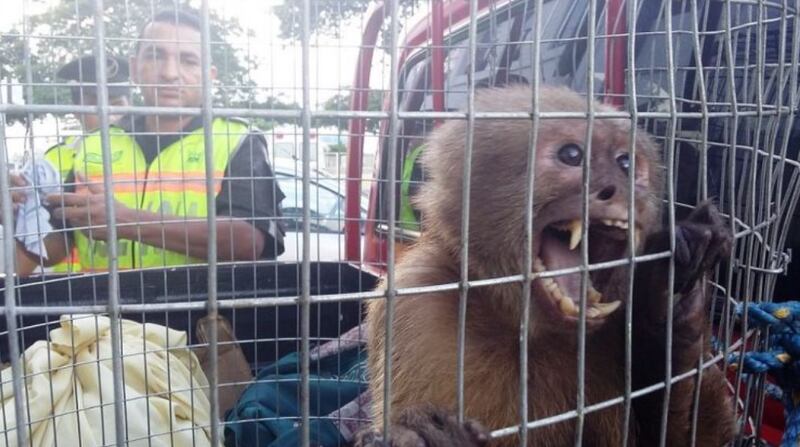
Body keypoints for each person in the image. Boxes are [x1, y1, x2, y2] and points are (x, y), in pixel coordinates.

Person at [7, 9, 284, 276]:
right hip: (107, 319)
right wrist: (18, 215)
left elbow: (249, 242)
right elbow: (51, 249)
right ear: (136, 68)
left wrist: (127, 221)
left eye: (188, 60)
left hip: (203, 319)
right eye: (155, 55)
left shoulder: (236, 140)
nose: (169, 72)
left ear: (210, 76)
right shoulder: (95, 146)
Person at [42, 53, 132, 273]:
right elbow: (33, 258)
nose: (108, 114)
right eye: (95, 104)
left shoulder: (150, 151)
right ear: (76, 110)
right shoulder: (52, 161)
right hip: (74, 289)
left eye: (117, 103)